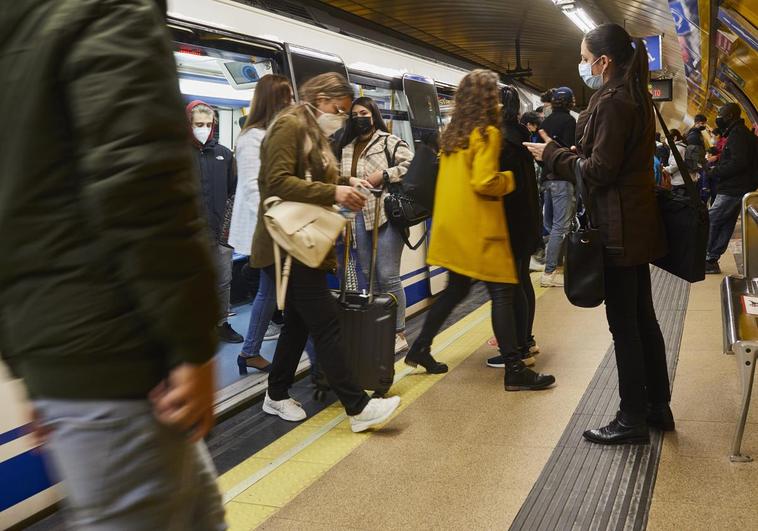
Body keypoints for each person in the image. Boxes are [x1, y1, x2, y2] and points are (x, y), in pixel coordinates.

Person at [0, 0, 226, 528]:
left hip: (69, 348)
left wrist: (28, 367)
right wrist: (194, 344)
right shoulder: (107, 9)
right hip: (120, 350)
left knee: (203, 513)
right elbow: (140, 179)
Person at [524, 23, 671, 444]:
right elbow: (611, 162)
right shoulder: (637, 97)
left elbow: (601, 172)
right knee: (644, 320)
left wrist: (552, 155)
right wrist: (567, 155)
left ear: (604, 62)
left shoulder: (613, 103)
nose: (583, 65)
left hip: (617, 230)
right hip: (636, 226)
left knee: (624, 325)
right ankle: (658, 407)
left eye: (586, 58)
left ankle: (631, 419)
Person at [250, 72, 401, 431]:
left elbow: (313, 176)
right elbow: (278, 181)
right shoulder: (289, 126)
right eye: (338, 108)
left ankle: (276, 392)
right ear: (319, 98)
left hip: (302, 241)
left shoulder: (310, 128)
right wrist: (333, 194)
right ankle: (357, 407)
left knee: (299, 326)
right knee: (326, 324)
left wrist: (347, 182)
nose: (341, 115)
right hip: (286, 243)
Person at [406, 69, 555, 391]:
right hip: (480, 231)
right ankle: (514, 369)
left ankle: (420, 347)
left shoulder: (451, 133)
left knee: (454, 291)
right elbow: (485, 182)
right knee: (502, 292)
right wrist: (511, 179)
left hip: (452, 229)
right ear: (490, 99)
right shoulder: (486, 133)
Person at [227, 74, 293, 374]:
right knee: (287, 295)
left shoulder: (271, 134)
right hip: (266, 229)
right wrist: (280, 223)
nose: (291, 105)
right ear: (273, 102)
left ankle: (249, 351)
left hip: (274, 227)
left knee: (270, 293)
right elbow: (256, 190)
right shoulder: (252, 138)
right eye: (286, 99)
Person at [338, 97, 414, 353]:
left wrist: (384, 174)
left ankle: (399, 333)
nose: (360, 118)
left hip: (386, 214)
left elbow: (410, 164)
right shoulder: (346, 147)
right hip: (357, 215)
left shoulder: (388, 141)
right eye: (355, 114)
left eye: (364, 113)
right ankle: (381, 328)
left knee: (388, 276)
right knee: (370, 278)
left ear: (373, 115)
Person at [486, 86, 543, 369]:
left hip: (510, 220)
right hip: (526, 218)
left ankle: (518, 349)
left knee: (510, 288)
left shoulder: (501, 140)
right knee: (522, 281)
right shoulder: (519, 135)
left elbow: (496, 184)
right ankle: (526, 341)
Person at [188, 100, 244, 344]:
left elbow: (234, 193)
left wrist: (228, 229)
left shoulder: (224, 155)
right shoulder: (177, 154)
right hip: (191, 235)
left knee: (223, 281)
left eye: (208, 124)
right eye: (198, 124)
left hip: (220, 232)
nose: (204, 128)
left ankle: (221, 323)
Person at [704, 103, 757, 274]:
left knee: (711, 219)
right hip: (739, 187)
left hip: (733, 188)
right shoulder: (740, 134)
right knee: (726, 223)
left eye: (721, 114)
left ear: (731, 116)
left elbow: (737, 162)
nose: (718, 117)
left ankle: (706, 258)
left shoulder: (738, 135)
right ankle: (712, 259)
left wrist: (715, 171)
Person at [539, 86, 577, 287]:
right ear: (570, 102)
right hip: (562, 178)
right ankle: (550, 271)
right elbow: (570, 151)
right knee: (560, 226)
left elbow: (538, 153)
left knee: (551, 223)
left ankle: (555, 266)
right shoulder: (570, 121)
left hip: (546, 179)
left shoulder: (545, 122)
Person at [663, 128, 689, 195]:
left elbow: (675, 165)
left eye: (667, 138)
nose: (666, 140)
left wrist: (665, 169)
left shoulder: (677, 148)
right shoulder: (682, 146)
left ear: (675, 137)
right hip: (685, 179)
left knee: (680, 202)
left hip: (680, 181)